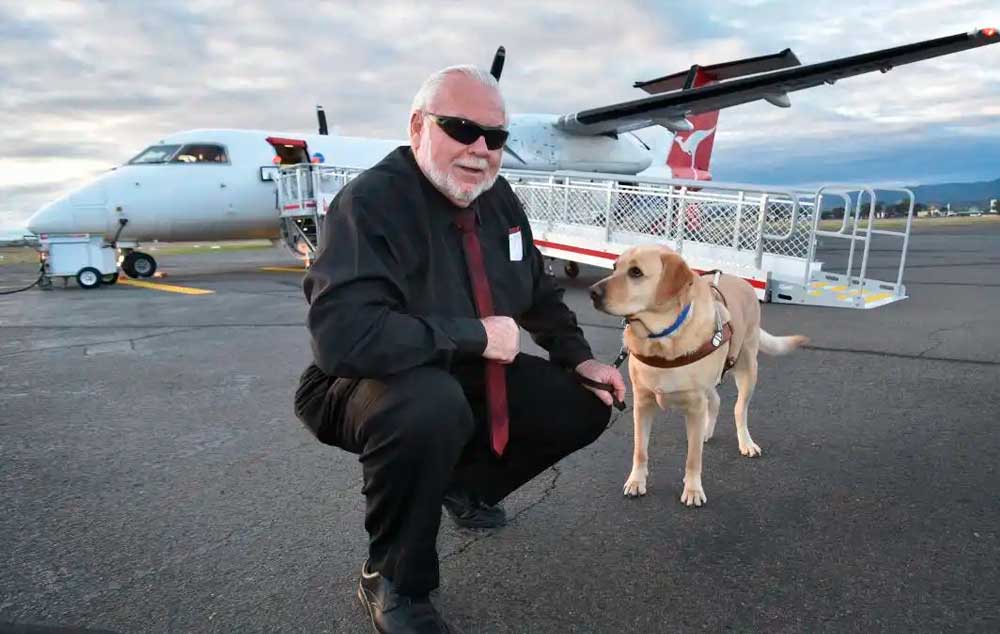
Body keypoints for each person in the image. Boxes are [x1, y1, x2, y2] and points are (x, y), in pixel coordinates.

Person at [293, 65, 625, 634]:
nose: (480, 149)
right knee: (428, 405)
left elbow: (538, 292)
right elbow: (343, 336)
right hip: (360, 380)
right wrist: (476, 335)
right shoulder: (370, 202)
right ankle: (393, 577)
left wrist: (581, 359)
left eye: (495, 137)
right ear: (419, 126)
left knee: (585, 402)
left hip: (466, 370)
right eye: (460, 129)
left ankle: (461, 486)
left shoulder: (498, 202)